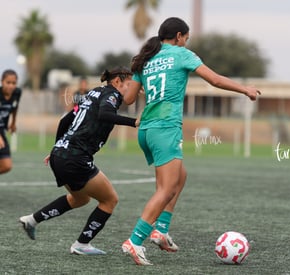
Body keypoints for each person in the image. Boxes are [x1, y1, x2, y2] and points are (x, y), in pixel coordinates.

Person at [121, 17, 261, 266]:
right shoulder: (181, 54)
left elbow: (129, 100)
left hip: (146, 131)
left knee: (179, 177)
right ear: (178, 36)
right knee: (166, 190)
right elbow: (215, 80)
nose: (186, 42)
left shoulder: (145, 59)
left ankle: (161, 230)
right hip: (165, 129)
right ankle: (135, 240)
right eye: (186, 38)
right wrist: (245, 89)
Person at [19, 67, 138, 255]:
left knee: (80, 199)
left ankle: (32, 220)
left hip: (61, 154)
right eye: (131, 85)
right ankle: (82, 244)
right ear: (117, 82)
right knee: (110, 200)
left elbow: (65, 120)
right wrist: (135, 122)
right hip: (75, 157)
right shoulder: (112, 95)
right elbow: (104, 115)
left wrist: (57, 147)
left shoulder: (91, 94)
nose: (134, 90)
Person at [0, 69, 22, 174]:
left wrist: (13, 123)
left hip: (2, 130)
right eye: (8, 82)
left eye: (13, 83)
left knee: (7, 165)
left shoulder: (17, 93)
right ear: (2, 82)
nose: (11, 86)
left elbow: (15, 107)